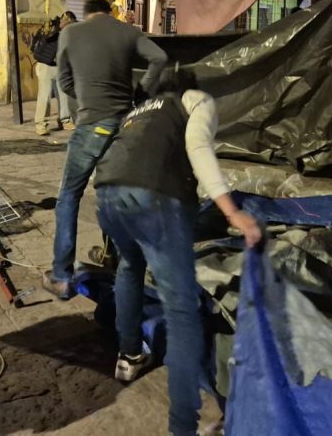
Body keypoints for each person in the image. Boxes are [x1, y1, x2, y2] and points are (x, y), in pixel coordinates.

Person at [94, 65, 262, 436]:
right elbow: (198, 148)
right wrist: (231, 211)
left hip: (106, 196)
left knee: (129, 268)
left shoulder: (141, 110)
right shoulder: (196, 100)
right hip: (153, 200)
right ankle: (183, 427)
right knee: (182, 311)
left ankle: (128, 356)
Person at [42, 0, 167, 299]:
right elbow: (160, 57)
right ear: (109, 12)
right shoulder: (127, 31)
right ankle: (116, 260)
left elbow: (64, 81)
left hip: (92, 125)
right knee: (112, 194)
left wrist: (86, 95)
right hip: (125, 126)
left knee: (69, 196)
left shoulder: (71, 32)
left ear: (86, 14)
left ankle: (61, 276)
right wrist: (141, 91)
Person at [30, 12, 75, 136]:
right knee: (45, 96)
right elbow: (47, 39)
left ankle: (65, 120)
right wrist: (58, 29)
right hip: (46, 65)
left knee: (64, 94)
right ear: (65, 20)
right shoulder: (52, 27)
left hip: (59, 66)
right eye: (69, 23)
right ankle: (40, 124)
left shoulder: (65, 31)